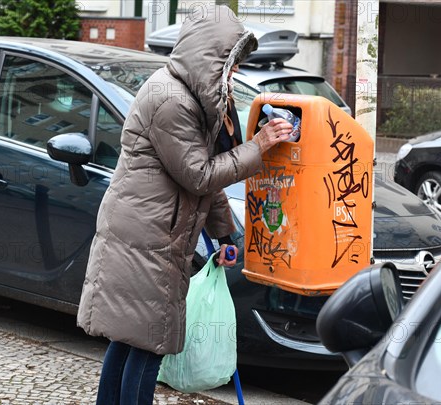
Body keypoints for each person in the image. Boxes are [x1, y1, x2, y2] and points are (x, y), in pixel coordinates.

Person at [76, 5, 293, 405]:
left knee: (133, 340)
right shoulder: (170, 99)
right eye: (229, 65)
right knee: (150, 342)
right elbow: (200, 175)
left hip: (156, 233)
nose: (234, 75)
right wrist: (258, 146)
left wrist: (224, 233)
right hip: (146, 238)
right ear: (207, 57)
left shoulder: (193, 95)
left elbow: (202, 183)